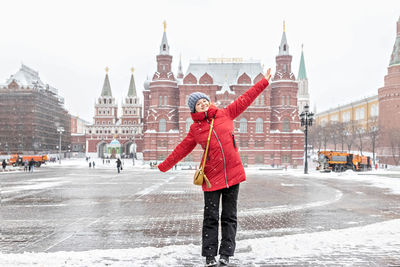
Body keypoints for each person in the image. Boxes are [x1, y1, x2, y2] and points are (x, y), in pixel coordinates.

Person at [157, 69, 271, 267]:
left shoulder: (225, 114)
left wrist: (263, 82)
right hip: (211, 178)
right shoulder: (195, 129)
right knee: (210, 217)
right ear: (194, 110)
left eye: (204, 101)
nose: (203, 103)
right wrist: (164, 166)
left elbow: (246, 99)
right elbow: (181, 149)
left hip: (233, 175)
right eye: (198, 103)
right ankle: (210, 256)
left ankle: (226, 255)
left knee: (229, 217)